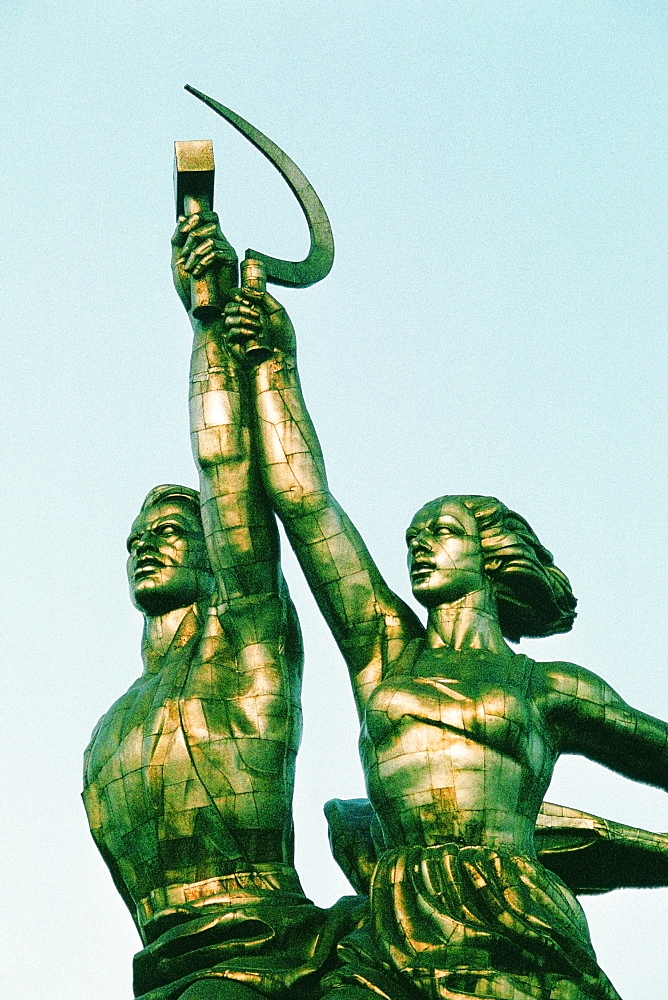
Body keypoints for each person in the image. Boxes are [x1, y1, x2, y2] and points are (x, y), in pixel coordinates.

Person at [211, 240, 668, 999]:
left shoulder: (550, 687)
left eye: (442, 531)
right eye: (414, 536)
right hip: (395, 913)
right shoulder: (384, 651)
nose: (421, 544)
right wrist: (272, 364)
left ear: (492, 559)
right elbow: (304, 500)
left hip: (513, 912)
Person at [82, 215, 360, 1000]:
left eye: (171, 531)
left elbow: (225, 462)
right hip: (166, 967)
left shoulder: (244, 646)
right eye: (137, 536)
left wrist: (206, 321)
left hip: (263, 955)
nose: (146, 546)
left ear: (215, 550)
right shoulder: (115, 721)